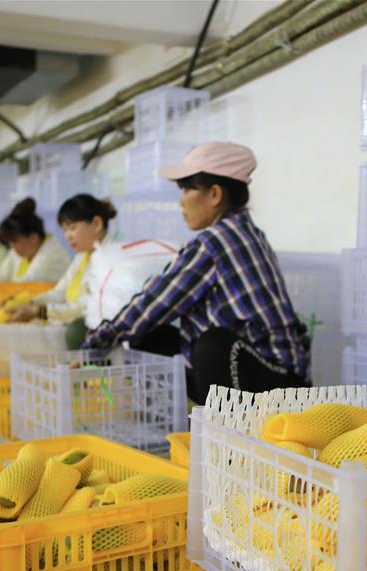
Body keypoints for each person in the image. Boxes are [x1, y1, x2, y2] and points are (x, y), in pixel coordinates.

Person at [83, 141, 311, 405]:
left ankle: (228, 435)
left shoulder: (215, 242)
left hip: (278, 383)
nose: (181, 202)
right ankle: (183, 421)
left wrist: (95, 342)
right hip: (269, 374)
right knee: (154, 337)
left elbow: (155, 302)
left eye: (188, 189)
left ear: (215, 195)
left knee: (213, 345)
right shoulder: (246, 231)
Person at [4, 194, 117, 350]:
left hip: (102, 332)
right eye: (64, 230)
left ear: (96, 224)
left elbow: (88, 306)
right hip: (75, 318)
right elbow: (61, 292)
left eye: (72, 228)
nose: (68, 236)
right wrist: (31, 302)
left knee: (75, 331)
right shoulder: (82, 257)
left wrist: (40, 311)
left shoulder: (110, 258)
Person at [0, 198, 70, 283]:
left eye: (14, 241)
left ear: (33, 238)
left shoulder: (52, 256)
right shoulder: (20, 252)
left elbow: (25, 285)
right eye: (10, 242)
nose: (12, 246)